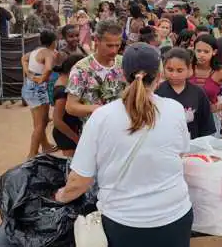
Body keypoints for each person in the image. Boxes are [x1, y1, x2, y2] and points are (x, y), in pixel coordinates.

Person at [55, 43, 193, 247]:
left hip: (123, 225)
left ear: (122, 74)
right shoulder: (175, 109)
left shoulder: (101, 117)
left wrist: (59, 196)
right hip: (176, 218)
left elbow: (80, 181)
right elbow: (181, 154)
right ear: (159, 75)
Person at [66, 20, 127, 121]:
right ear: (96, 40)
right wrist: (99, 109)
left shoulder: (124, 62)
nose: (114, 50)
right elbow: (70, 106)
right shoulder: (81, 69)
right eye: (109, 45)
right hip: (95, 130)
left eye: (117, 45)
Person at [156, 47, 216, 139]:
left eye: (180, 70)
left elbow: (206, 126)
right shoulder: (157, 91)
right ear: (163, 68)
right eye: (170, 70)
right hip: (163, 146)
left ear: (189, 69)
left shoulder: (198, 93)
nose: (174, 75)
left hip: (192, 146)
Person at [21, 30, 58, 158]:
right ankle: (32, 154)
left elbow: (24, 58)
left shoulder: (35, 52)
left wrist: (28, 73)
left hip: (29, 87)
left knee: (41, 121)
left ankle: (46, 145)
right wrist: (42, 78)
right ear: (54, 42)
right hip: (38, 89)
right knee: (40, 124)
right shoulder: (49, 53)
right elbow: (48, 68)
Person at [53, 54, 85, 157]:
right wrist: (76, 139)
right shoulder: (62, 91)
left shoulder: (66, 83)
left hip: (71, 130)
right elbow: (57, 121)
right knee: (72, 165)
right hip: (67, 134)